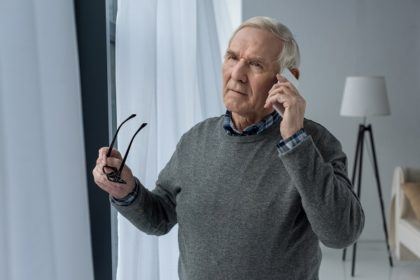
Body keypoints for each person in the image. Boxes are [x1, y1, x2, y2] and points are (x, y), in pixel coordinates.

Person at [93, 16, 364, 280]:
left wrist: (295, 140)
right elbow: (160, 216)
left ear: (285, 80)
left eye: (255, 64)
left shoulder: (314, 142)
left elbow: (341, 233)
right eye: (232, 58)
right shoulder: (195, 140)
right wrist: (126, 190)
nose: (237, 74)